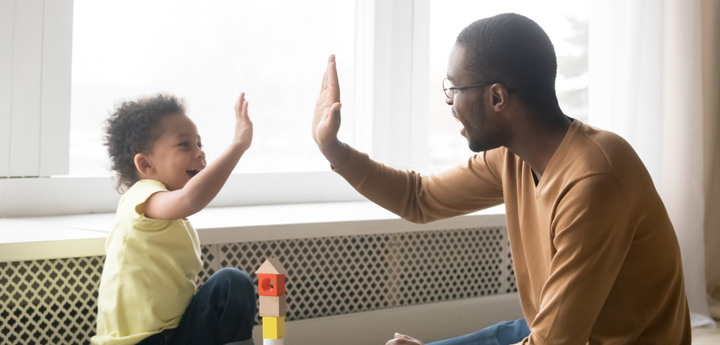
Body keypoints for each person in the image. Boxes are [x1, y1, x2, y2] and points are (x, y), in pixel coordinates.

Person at [311, 13, 691, 345]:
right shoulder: (512, 158)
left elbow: (555, 343)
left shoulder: (594, 180)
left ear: (497, 98)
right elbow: (419, 197)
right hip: (554, 332)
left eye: (454, 88)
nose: (449, 102)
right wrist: (334, 149)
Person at [92, 93, 256, 345]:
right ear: (145, 164)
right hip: (140, 341)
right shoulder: (142, 197)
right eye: (185, 145)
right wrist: (238, 145)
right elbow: (191, 199)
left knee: (232, 283)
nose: (200, 153)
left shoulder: (169, 213)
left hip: (176, 335)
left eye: (199, 144)